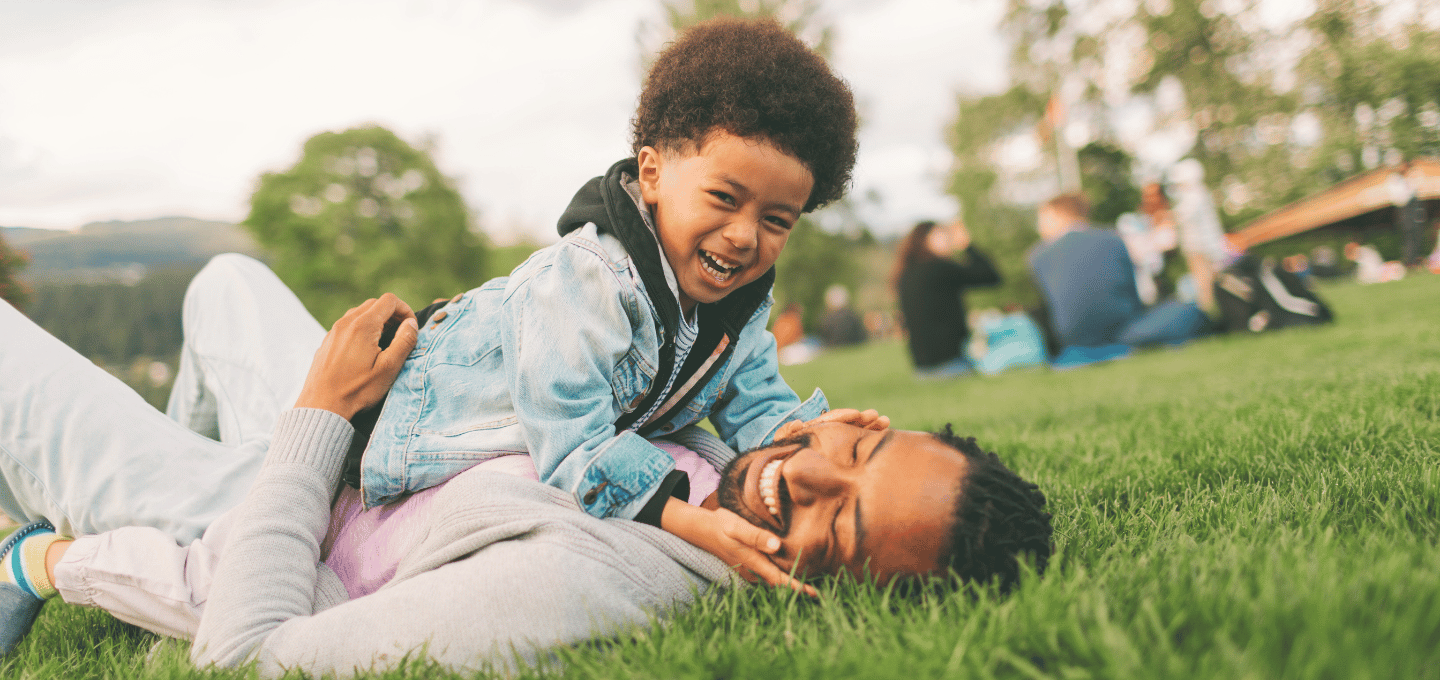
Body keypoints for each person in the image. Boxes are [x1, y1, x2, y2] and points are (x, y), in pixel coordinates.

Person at [0, 257, 1053, 675]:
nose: (811, 478)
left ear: (839, 590)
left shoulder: (593, 580)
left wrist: (317, 417)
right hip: (371, 451)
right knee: (225, 280)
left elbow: (247, 656)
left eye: (846, 526)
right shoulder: (743, 450)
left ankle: (113, 520)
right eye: (856, 449)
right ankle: (171, 459)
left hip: (287, 502)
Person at [342, 18, 859, 586]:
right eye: (723, 198)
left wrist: (819, 440)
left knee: (684, 459)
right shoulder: (590, 278)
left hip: (528, 446)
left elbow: (755, 403)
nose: (743, 235)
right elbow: (572, 444)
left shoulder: (740, 304)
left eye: (775, 220)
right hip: (402, 426)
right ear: (653, 173)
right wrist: (686, 522)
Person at [1028, 194, 1209, 362]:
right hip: (1125, 333)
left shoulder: (1036, 256)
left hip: (1074, 342)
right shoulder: (1113, 239)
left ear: (1058, 213)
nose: (1039, 226)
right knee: (1186, 311)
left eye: (1042, 219)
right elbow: (1132, 296)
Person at [893, 220, 1001, 378]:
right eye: (943, 235)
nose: (949, 241)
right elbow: (991, 277)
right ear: (926, 240)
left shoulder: (905, 275)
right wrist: (966, 245)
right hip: (951, 365)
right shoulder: (940, 268)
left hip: (921, 371)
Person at [1166, 159, 1234, 312]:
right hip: (1201, 247)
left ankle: (1210, 313)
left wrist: (1165, 218)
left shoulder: (1195, 195)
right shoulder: (1198, 194)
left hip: (1199, 247)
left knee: (1204, 282)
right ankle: (1215, 311)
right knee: (1207, 281)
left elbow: (1182, 215)